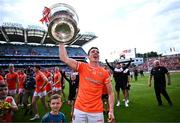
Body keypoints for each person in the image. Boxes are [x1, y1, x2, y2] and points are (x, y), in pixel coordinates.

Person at [59, 44, 115, 123]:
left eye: (97, 52)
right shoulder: (82, 66)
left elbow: (111, 93)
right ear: (88, 56)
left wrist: (111, 111)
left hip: (97, 111)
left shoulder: (104, 73)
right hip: (79, 109)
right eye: (93, 52)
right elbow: (64, 58)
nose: (95, 53)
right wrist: (61, 42)